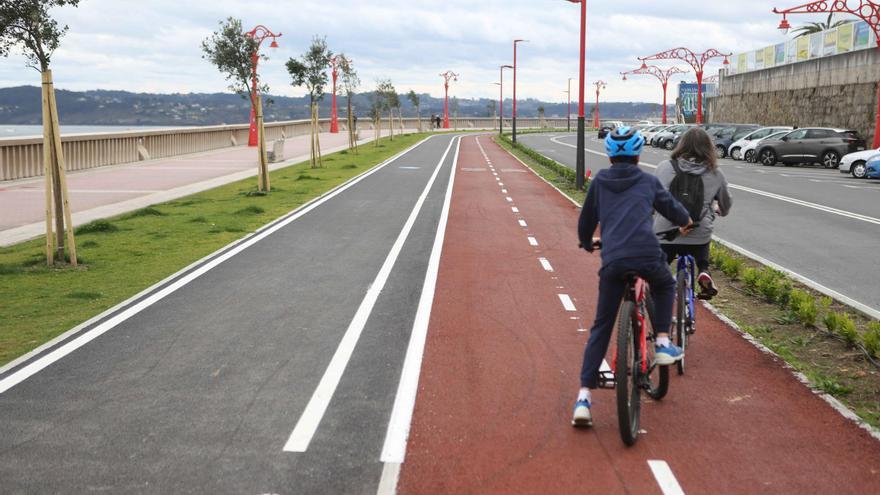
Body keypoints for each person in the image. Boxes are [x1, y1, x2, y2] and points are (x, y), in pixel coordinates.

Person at [573, 126, 693, 427]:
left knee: (601, 326)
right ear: (638, 154)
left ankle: (584, 399)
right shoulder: (647, 180)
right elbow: (673, 209)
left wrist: (588, 242)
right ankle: (663, 341)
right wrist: (686, 221)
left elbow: (586, 222)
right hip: (647, 254)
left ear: (609, 155)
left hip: (613, 259)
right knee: (665, 285)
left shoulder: (600, 181)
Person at [654, 127, 733, 299]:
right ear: (709, 148)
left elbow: (652, 198)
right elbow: (726, 204)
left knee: (660, 265)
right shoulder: (715, 173)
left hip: (667, 232)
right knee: (702, 246)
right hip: (699, 232)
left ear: (681, 145)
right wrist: (720, 210)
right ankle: (703, 271)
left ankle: (661, 282)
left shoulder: (664, 167)